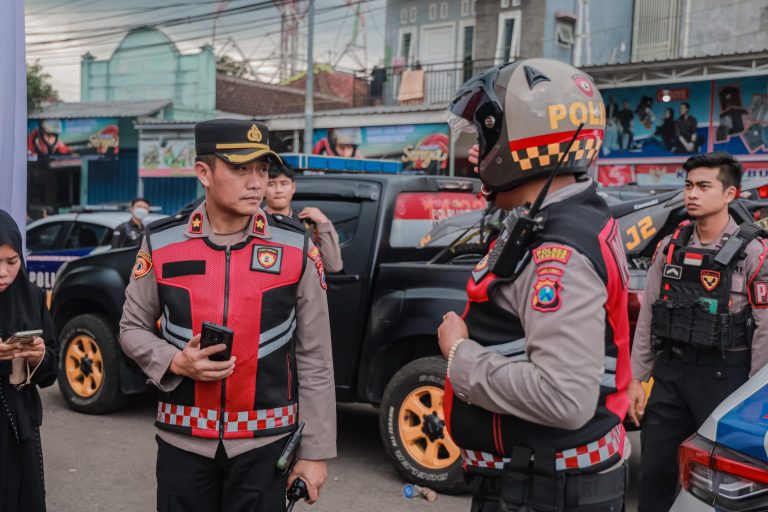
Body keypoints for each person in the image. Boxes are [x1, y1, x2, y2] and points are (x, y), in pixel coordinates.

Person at [440, 59, 631, 511]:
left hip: (542, 489)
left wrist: (458, 355)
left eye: (487, 135)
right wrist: (495, 179)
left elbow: (563, 397)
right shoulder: (571, 212)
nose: (479, 148)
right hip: (539, 477)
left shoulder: (559, 252)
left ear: (517, 140)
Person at [119, 119, 336, 512]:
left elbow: (316, 357)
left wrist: (316, 453)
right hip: (181, 444)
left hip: (266, 446)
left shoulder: (296, 247)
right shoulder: (162, 242)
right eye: (240, 169)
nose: (257, 183)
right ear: (204, 172)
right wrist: (174, 361)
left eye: (262, 170)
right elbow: (131, 328)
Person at [628, 152, 768, 512]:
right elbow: (648, 316)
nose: (692, 193)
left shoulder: (753, 253)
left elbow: (766, 330)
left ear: (729, 194)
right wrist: (634, 379)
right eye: (689, 185)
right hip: (671, 376)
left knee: (718, 485)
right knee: (654, 473)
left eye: (704, 186)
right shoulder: (670, 248)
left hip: (726, 380)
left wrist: (753, 401)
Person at [0, 210, 59, 512]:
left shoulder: (33, 295)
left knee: (24, 498)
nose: (3, 272)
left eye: (12, 261)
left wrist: (40, 357)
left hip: (20, 423)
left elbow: (52, 367)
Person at [264, 163, 343, 273]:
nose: (278, 190)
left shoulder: (306, 225)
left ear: (293, 187)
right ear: (262, 188)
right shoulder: (253, 221)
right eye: (271, 184)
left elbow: (333, 266)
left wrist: (323, 222)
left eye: (284, 183)